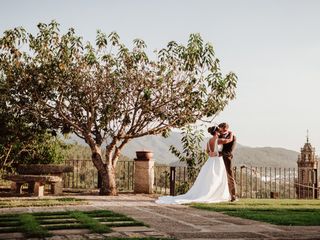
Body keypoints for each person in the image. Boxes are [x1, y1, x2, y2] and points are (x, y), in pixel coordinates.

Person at [155, 126, 233, 204]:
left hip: (210, 161)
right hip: (217, 160)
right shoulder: (219, 140)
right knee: (217, 177)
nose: (220, 132)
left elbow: (207, 151)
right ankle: (215, 194)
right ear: (216, 132)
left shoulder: (209, 141)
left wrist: (212, 154)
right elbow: (229, 140)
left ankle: (211, 193)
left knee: (210, 178)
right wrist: (231, 133)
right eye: (219, 131)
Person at [218, 122, 237, 202]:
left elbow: (231, 150)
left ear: (224, 128)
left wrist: (222, 154)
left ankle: (233, 196)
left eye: (220, 128)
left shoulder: (232, 136)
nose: (219, 130)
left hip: (226, 157)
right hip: (218, 158)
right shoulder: (218, 136)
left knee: (230, 176)